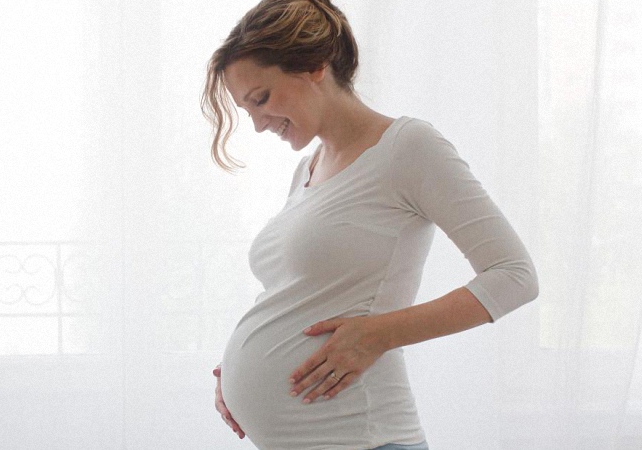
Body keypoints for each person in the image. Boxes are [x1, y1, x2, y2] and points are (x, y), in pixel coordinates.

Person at [201, 0, 539, 449]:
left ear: (314, 66)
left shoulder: (408, 147)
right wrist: (239, 374)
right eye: (248, 111)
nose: (259, 124)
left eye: (261, 99)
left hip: (366, 437)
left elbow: (515, 276)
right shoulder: (307, 167)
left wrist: (378, 334)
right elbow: (301, 291)